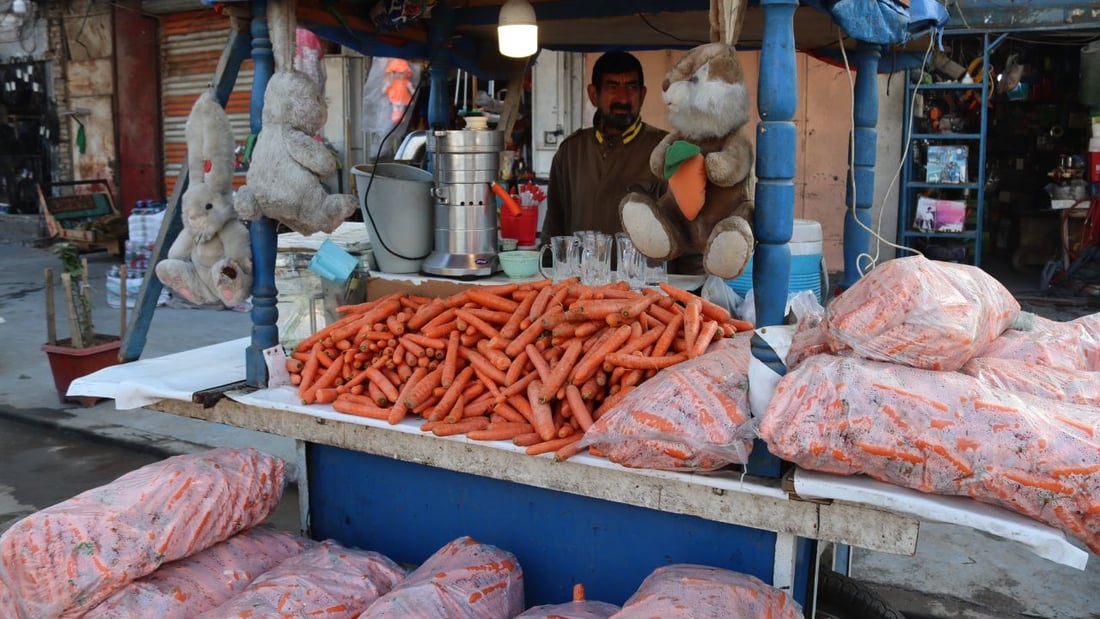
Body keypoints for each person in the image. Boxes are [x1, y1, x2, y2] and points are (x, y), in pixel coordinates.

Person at [542, 51, 667, 244]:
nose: (623, 98)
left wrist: (692, 276)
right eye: (613, 86)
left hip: (646, 274)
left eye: (631, 87)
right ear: (594, 94)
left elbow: (688, 234)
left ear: (642, 96)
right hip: (579, 274)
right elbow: (553, 232)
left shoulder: (665, 150)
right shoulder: (570, 153)